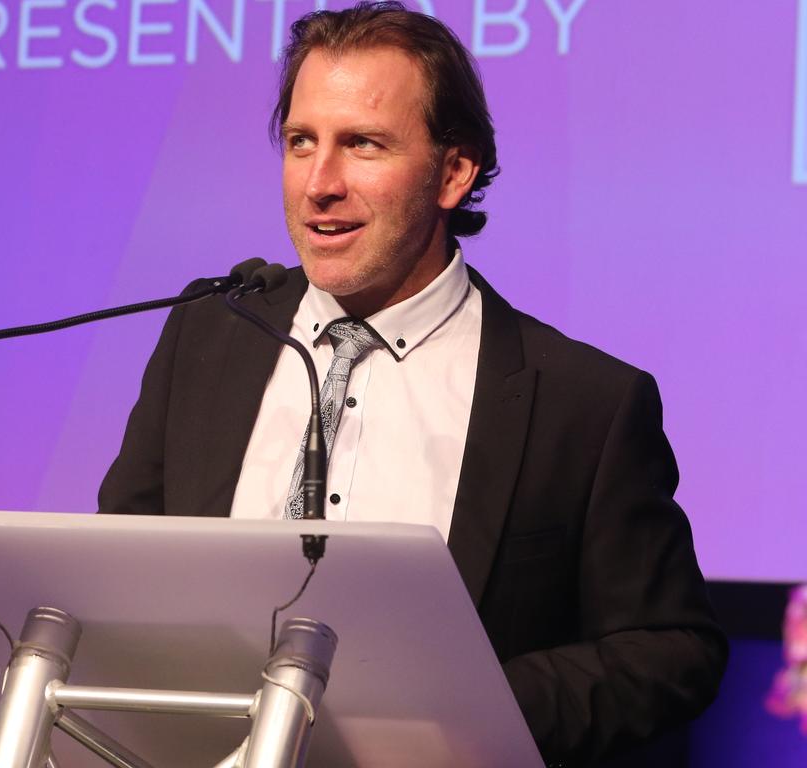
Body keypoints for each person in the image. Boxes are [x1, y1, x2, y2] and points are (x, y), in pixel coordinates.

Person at [98, 2, 727, 765]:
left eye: (362, 144)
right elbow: (121, 578)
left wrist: (465, 708)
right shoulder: (210, 332)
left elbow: (668, 651)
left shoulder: (583, 402)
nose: (319, 184)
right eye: (302, 143)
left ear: (453, 173)